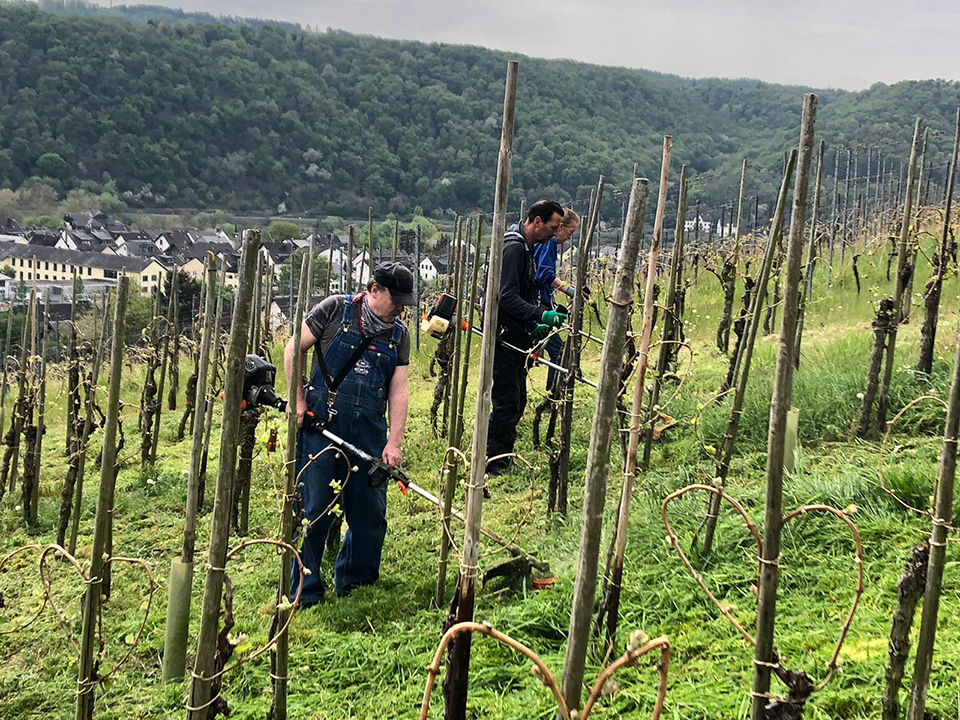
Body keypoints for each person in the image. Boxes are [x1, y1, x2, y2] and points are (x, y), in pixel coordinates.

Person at [284, 262, 413, 605]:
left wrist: (394, 441)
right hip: (322, 425)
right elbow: (293, 348)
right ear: (374, 291)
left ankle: (357, 584)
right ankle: (305, 591)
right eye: (395, 299)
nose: (400, 307)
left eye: (404, 301)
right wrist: (297, 400)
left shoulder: (399, 335)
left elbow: (398, 390)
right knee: (315, 508)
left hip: (369, 430)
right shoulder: (333, 310)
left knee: (369, 512)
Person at [485, 200, 566, 476]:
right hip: (504, 337)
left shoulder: (527, 248)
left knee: (517, 398)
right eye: (553, 227)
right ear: (537, 222)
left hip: (517, 335)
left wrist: (533, 324)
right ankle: (493, 461)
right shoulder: (515, 248)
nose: (555, 234)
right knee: (507, 399)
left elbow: (522, 293)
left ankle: (502, 456)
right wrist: (540, 315)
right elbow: (506, 297)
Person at [534, 208, 580, 390]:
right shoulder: (549, 243)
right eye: (571, 232)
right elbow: (544, 273)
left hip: (539, 302)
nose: (569, 238)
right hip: (538, 305)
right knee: (559, 352)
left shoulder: (543, 242)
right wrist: (569, 290)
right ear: (561, 226)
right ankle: (553, 397)